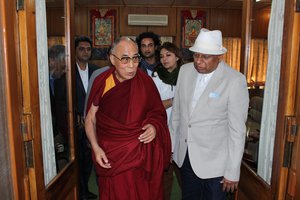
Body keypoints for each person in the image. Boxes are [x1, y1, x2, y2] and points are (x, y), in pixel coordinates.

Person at [84, 36, 171, 200]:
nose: (131, 65)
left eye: (135, 58)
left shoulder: (145, 82)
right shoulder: (102, 82)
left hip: (139, 154)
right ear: (112, 59)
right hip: (111, 154)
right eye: (125, 59)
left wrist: (153, 126)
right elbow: (90, 119)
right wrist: (96, 148)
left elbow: (157, 112)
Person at [170, 28, 249, 200]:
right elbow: (177, 113)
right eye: (196, 55)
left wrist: (232, 170)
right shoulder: (184, 71)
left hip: (216, 165)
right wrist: (171, 146)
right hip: (187, 157)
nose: (198, 61)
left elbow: (237, 131)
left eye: (205, 57)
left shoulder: (234, 80)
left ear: (219, 57)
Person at [151, 42, 183, 200]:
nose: (164, 59)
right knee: (165, 174)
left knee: (185, 175)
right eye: (161, 56)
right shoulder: (156, 77)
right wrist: (174, 100)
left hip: (183, 130)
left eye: (168, 55)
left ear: (177, 56)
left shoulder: (187, 75)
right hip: (162, 130)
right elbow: (154, 105)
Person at [75, 36, 98, 200]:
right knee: (78, 161)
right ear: (75, 51)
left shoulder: (96, 71)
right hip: (75, 125)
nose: (85, 52)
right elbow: (63, 98)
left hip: (93, 123)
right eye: (82, 48)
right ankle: (80, 191)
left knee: (90, 160)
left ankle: (85, 191)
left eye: (88, 49)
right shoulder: (68, 71)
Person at [48, 44, 68, 171]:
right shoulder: (39, 79)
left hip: (60, 132)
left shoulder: (62, 80)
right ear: (52, 61)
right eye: (64, 65)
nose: (66, 70)